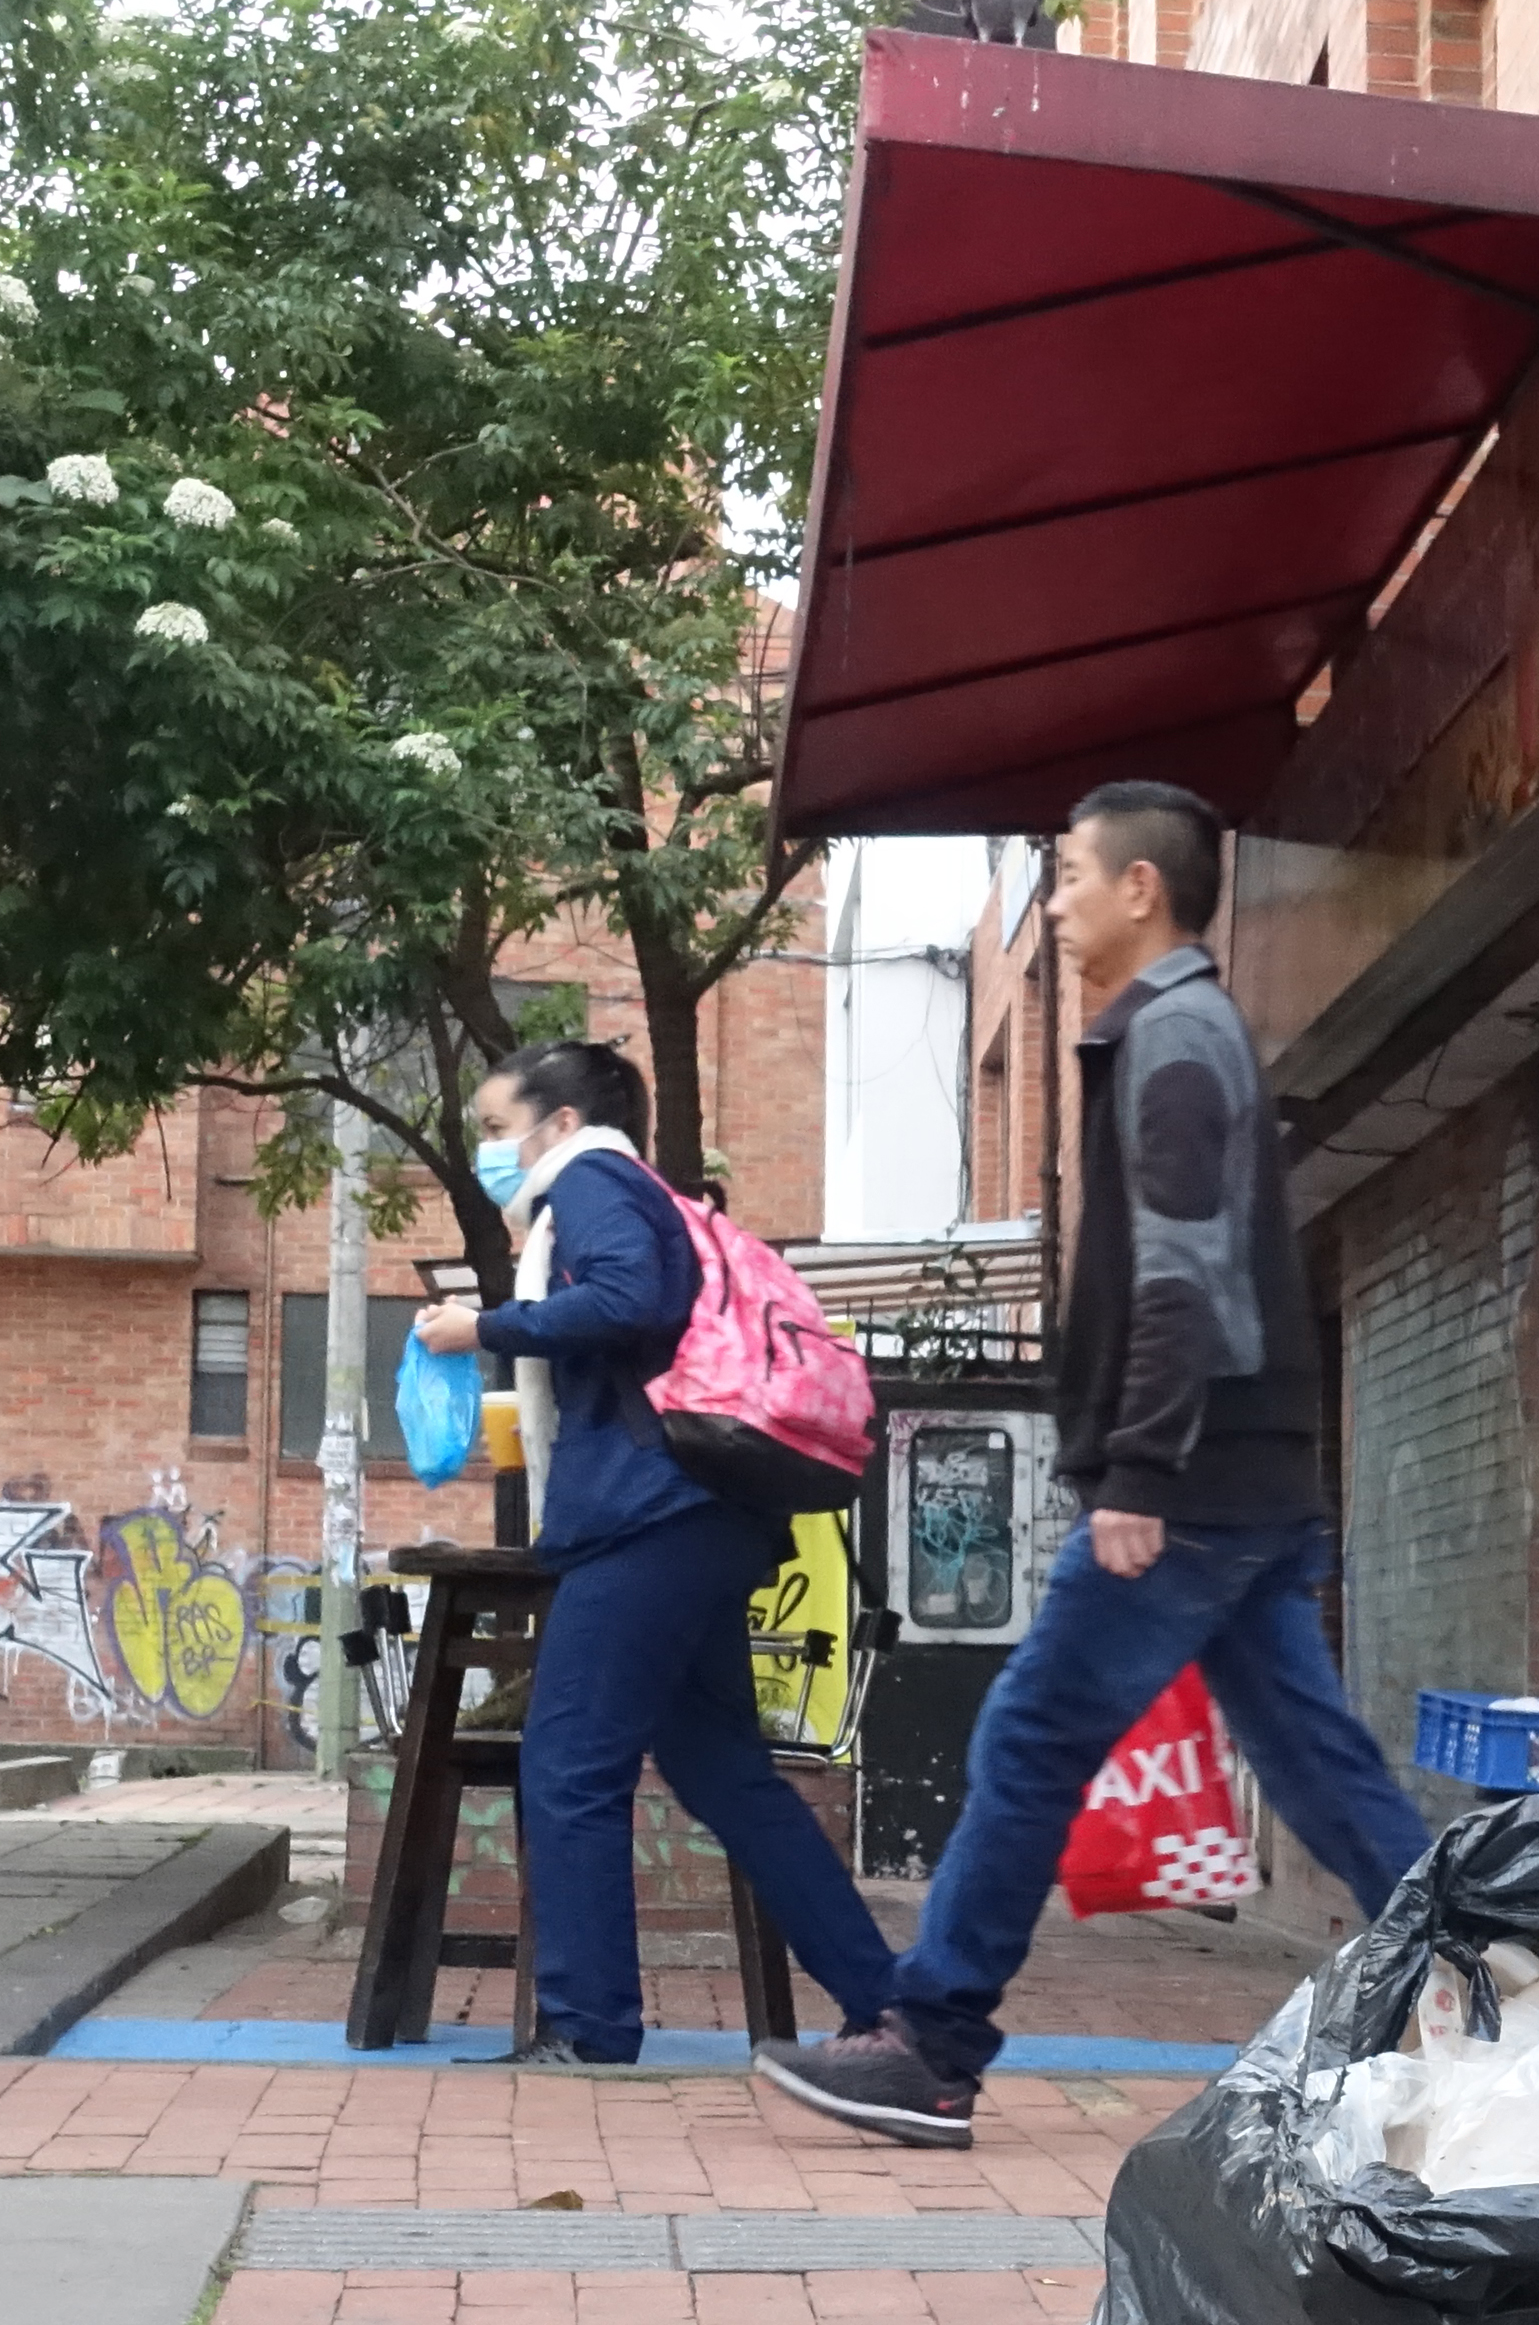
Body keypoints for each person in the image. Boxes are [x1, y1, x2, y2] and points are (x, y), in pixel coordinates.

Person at [757, 782, 1440, 2148]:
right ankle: (1496, 1982)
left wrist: (1138, 1472)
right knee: (1318, 1765)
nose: (1056, 901)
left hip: (1191, 1482)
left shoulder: (1175, 1038)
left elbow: (1184, 1278)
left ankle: (934, 2044)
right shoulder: (1178, 1031)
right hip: (1238, 1473)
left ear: (1142, 889)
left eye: (1070, 874)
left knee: (1030, 1738)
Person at [412, 1041, 899, 2068]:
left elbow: (629, 1298)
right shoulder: (642, 1192)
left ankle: (590, 2028)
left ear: (559, 1124)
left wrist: (487, 1326)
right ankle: (889, 2006)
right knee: (723, 1773)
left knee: (569, 1763)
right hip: (704, 1513)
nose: (488, 1151)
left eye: (497, 1129)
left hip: (648, 1517)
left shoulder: (590, 1179)